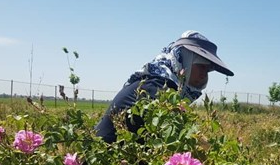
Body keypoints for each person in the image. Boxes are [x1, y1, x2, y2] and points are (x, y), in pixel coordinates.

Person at [95, 30, 234, 143]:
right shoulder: (157, 88)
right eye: (202, 67)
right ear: (184, 60)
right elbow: (186, 135)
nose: (204, 75)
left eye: (208, 70)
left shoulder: (164, 84)